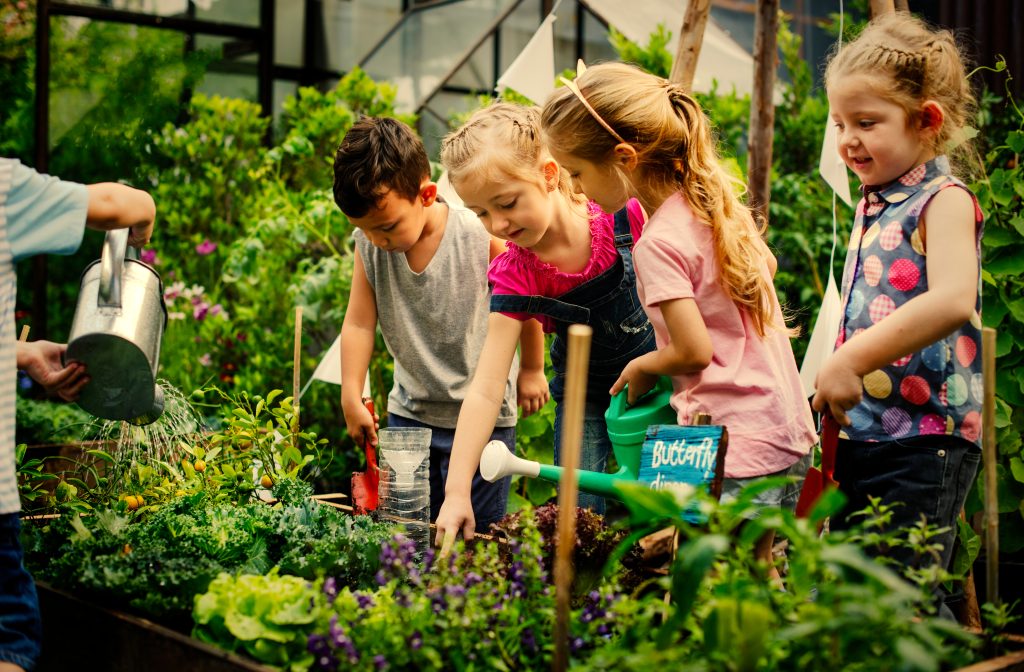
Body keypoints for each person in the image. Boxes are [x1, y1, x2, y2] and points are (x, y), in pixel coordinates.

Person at [540, 63, 817, 578]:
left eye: (576, 172)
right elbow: (768, 267)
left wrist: (646, 363)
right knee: (763, 571)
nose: (576, 189)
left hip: (732, 443)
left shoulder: (659, 243)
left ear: (624, 158)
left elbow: (691, 351)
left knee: (721, 580)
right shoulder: (711, 205)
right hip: (784, 424)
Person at [434, 102, 656, 541]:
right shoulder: (518, 274)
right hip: (585, 397)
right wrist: (456, 491)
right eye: (480, 213)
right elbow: (485, 388)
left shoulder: (623, 215)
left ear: (550, 174)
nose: (497, 224)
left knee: (670, 506)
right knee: (578, 521)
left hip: (661, 384)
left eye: (507, 203)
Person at [811, 14, 983, 578]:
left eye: (865, 122)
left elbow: (956, 298)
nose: (847, 140)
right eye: (838, 123)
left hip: (923, 438)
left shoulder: (943, 199)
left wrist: (849, 359)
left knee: (897, 596)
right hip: (866, 430)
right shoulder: (874, 200)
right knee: (863, 591)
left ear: (926, 121)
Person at [334, 117, 546, 533]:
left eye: (388, 226)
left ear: (427, 194)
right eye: (364, 229)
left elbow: (525, 302)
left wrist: (534, 370)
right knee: (405, 535)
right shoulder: (370, 247)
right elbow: (359, 323)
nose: (378, 239)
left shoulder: (479, 238)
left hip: (485, 420)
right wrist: (350, 393)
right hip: (409, 416)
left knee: (477, 538)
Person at [1, 157, 155, 672]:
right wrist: (144, 206)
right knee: (9, 637)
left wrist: (22, 355)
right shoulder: (4, 188)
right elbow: (116, 205)